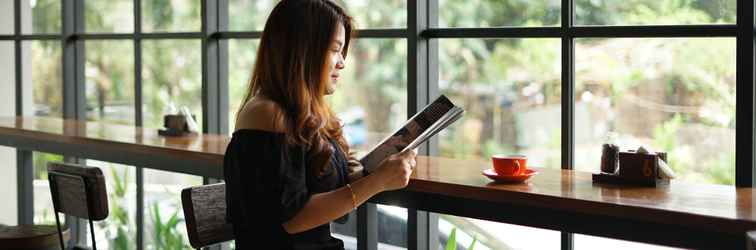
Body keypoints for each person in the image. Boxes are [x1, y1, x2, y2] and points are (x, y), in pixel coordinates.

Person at [223, 0, 417, 249]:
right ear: (303, 50)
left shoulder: (296, 114)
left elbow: (311, 187)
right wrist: (377, 182)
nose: (342, 62)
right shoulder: (266, 114)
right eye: (335, 49)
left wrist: (372, 170)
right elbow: (291, 218)